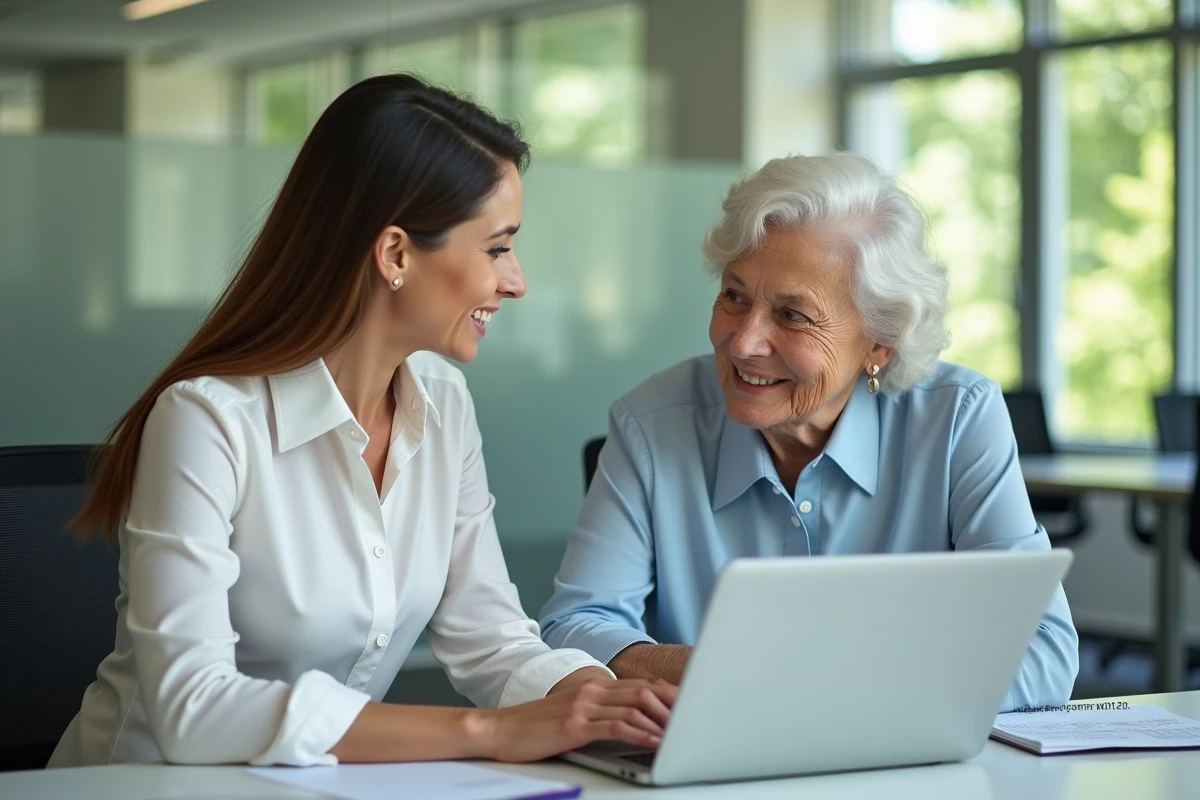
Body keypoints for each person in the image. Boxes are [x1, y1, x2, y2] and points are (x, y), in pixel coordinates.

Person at [49, 74, 674, 769]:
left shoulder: (444, 404)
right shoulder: (207, 420)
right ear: (396, 254)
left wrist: (601, 698)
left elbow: (489, 636)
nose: (516, 280)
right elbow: (193, 708)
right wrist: (490, 733)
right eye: (497, 248)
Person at [538, 152, 1079, 711]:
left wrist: (844, 695)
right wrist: (711, 668)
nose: (743, 342)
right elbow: (574, 625)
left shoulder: (957, 418)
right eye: (734, 297)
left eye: (793, 316)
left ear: (879, 342)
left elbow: (1043, 650)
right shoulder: (652, 422)